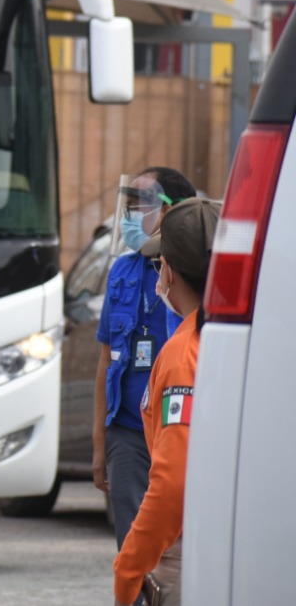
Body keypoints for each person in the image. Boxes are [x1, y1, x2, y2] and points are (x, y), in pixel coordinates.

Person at [113, 197, 220, 606]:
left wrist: (129, 568)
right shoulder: (242, 337)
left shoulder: (182, 354)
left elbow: (174, 482)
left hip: (187, 550)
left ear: (169, 271)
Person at [92, 167, 196, 551]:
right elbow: (106, 360)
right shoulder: (122, 271)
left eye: (141, 205)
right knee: (133, 546)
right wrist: (100, 444)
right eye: (129, 205)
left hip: (180, 429)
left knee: (177, 546)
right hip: (128, 432)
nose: (130, 215)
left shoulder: (198, 270)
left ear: (174, 211)